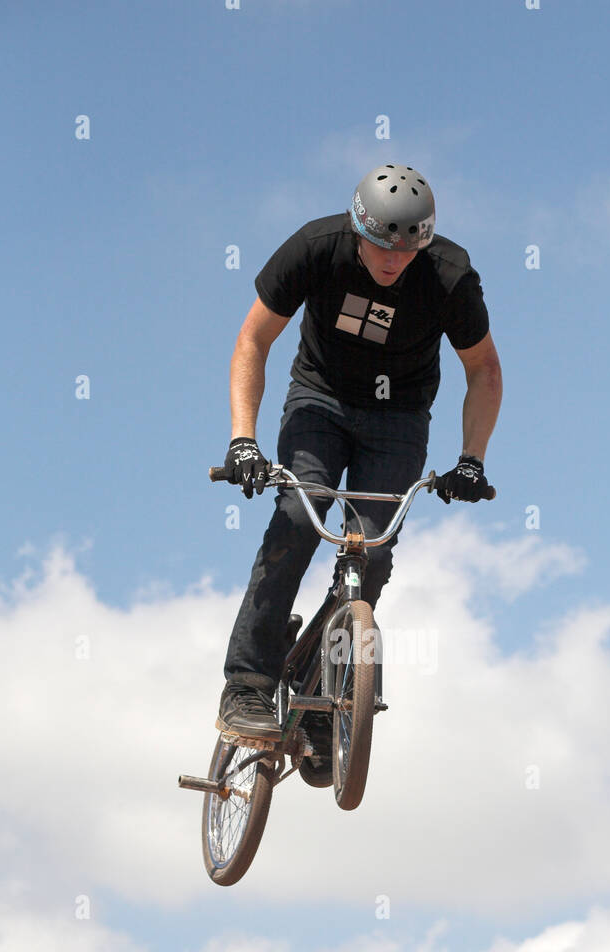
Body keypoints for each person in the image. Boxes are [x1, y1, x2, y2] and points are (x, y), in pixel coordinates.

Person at [216, 162, 502, 766]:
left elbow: (484, 371)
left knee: (371, 554)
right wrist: (244, 440)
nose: (392, 260)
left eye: (407, 248)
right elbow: (253, 340)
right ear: (357, 227)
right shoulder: (316, 248)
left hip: (398, 419)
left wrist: (471, 461)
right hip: (320, 399)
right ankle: (248, 682)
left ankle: (331, 694)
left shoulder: (449, 276)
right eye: (379, 246)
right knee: (299, 515)